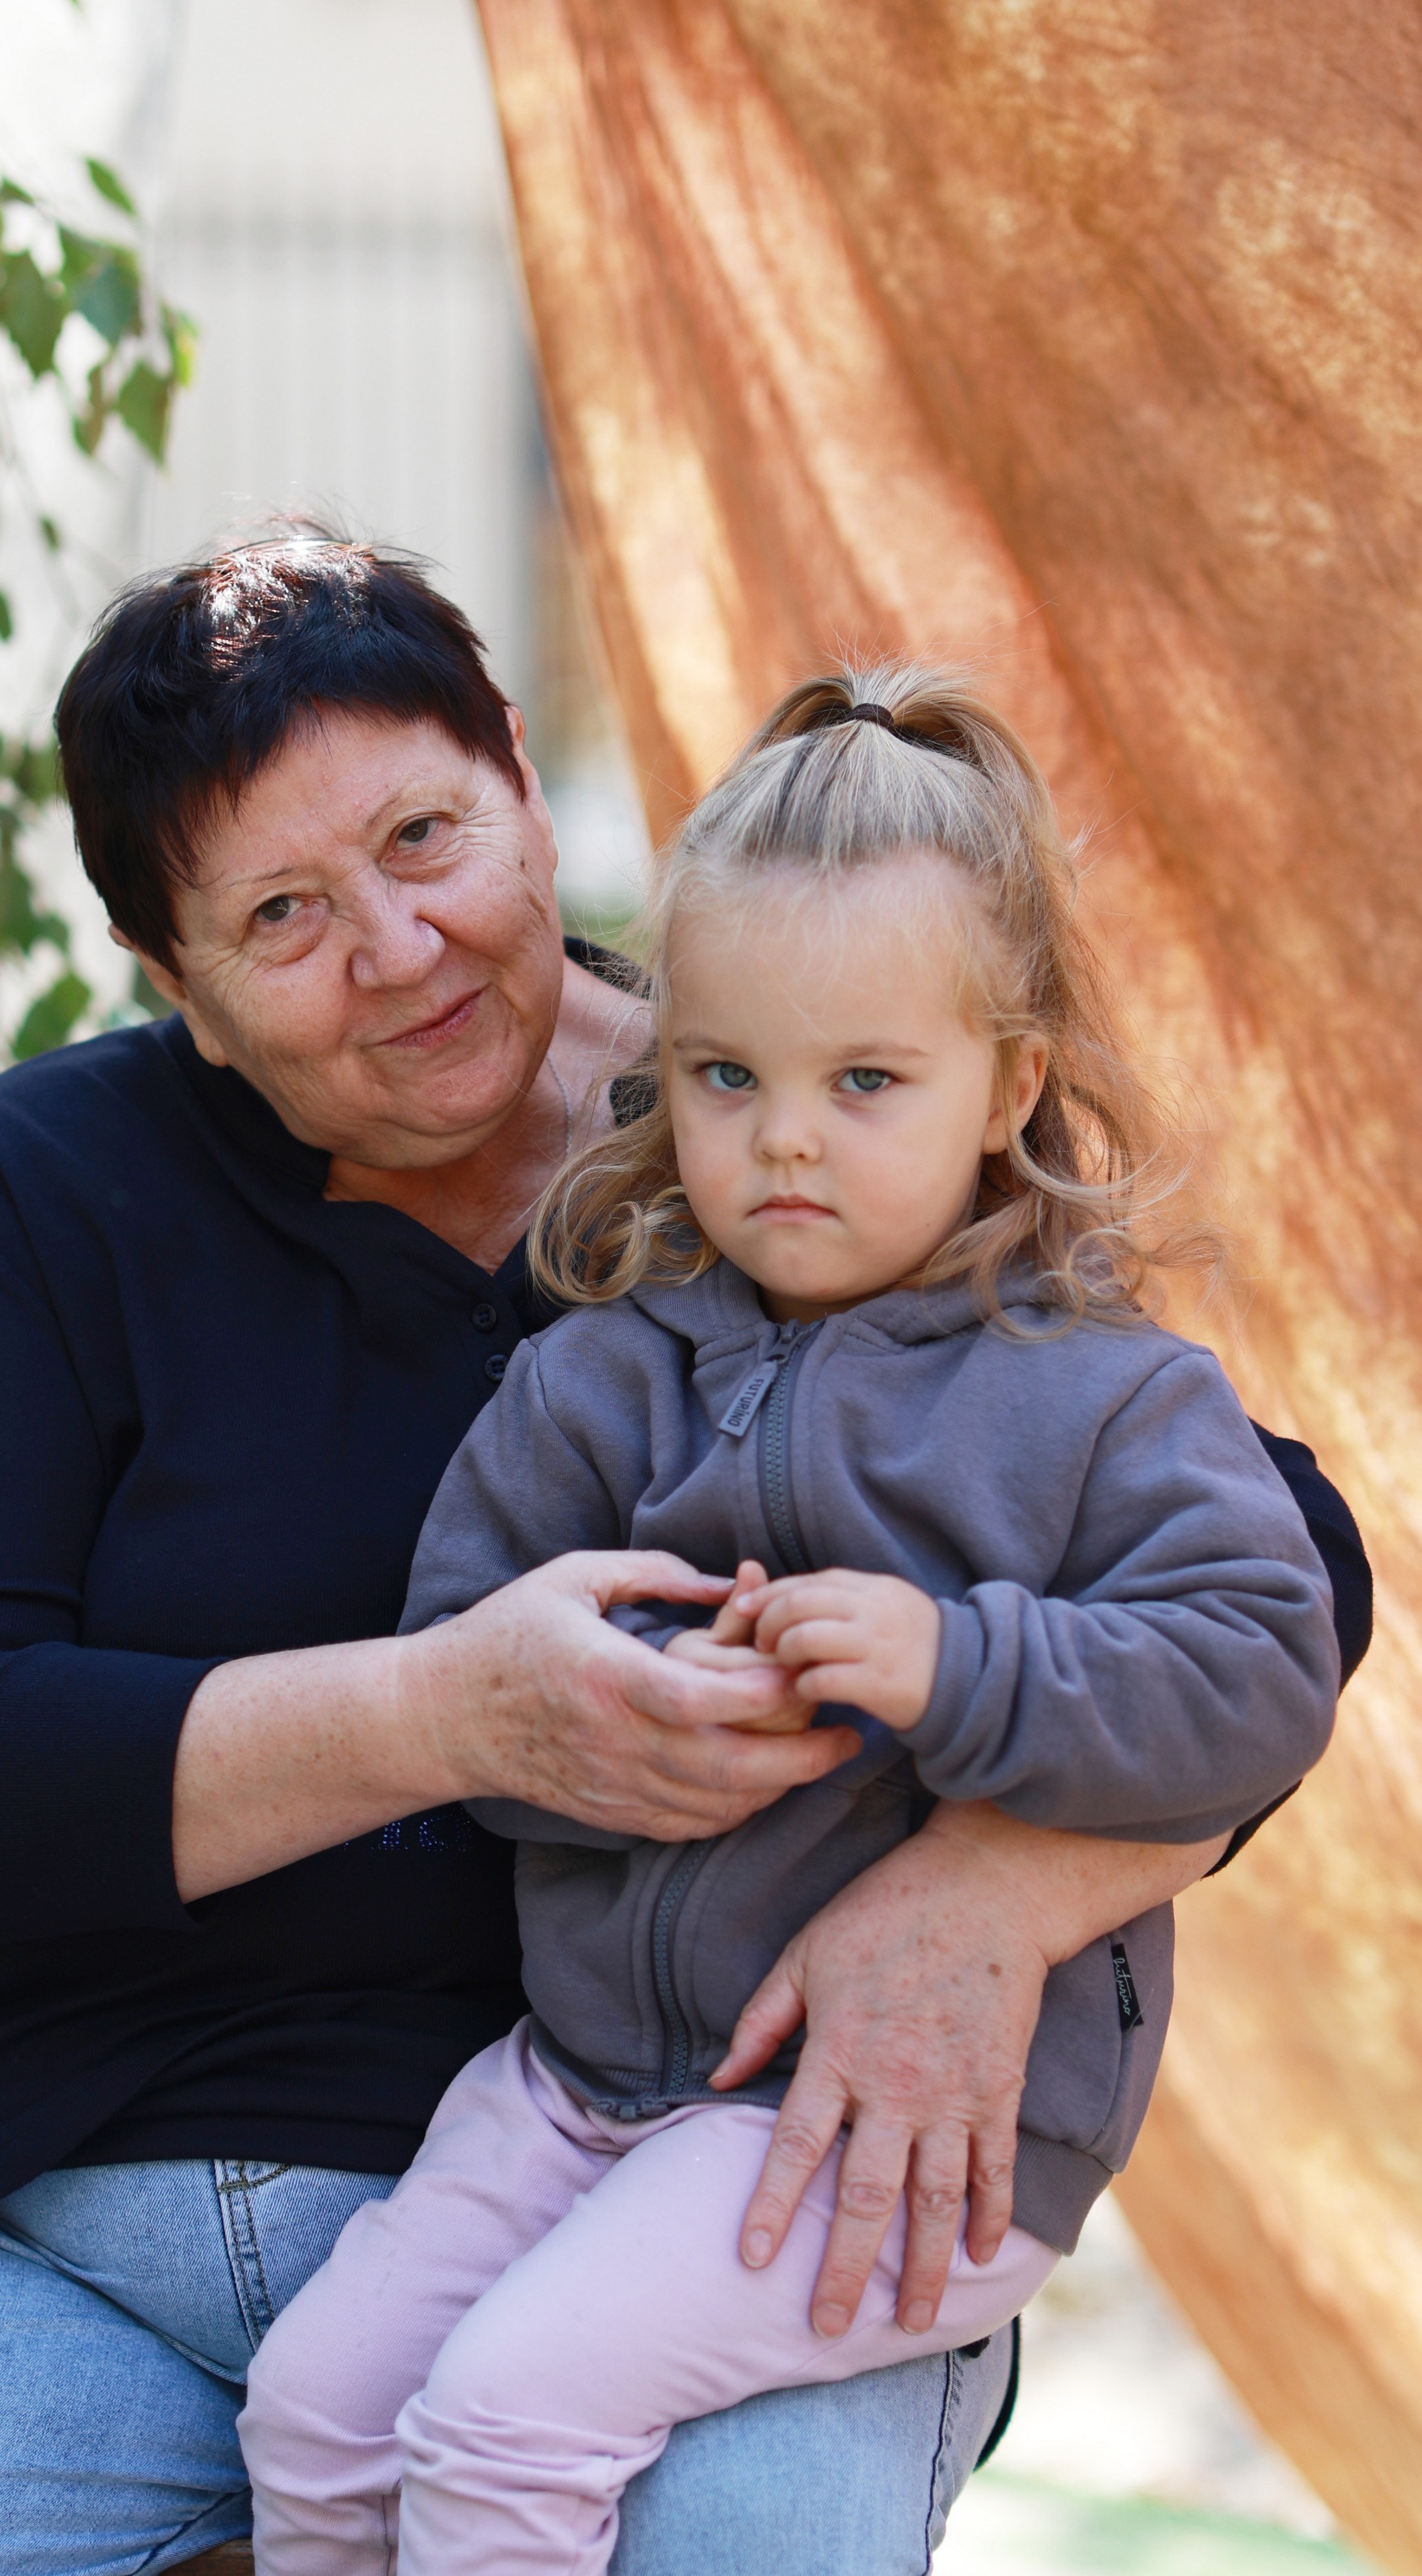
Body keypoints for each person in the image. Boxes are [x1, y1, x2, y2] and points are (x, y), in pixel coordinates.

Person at [0, 547, 1371, 2576]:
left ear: (527, 794)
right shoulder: (36, 1201)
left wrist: (992, 1892)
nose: (396, 947)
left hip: (703, 2170)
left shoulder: (789, 1098)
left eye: (425, 836)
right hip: (67, 2230)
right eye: (281, 917)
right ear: (175, 985)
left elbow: (1280, 1579)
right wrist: (445, 1711)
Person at [237, 663, 1342, 2573]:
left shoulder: (1102, 1398)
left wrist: (963, 1663)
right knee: (321, 2409)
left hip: (871, 2132)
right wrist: (614, 1716)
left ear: (1009, 1087)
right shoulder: (607, 1370)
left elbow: (1258, 1663)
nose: (788, 1143)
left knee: (506, 2422)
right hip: (585, 2077)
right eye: (728, 1078)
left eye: (868, 1084)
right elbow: (469, 1649)